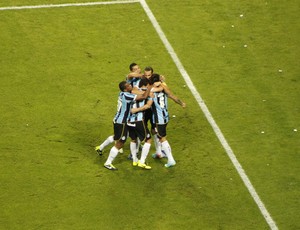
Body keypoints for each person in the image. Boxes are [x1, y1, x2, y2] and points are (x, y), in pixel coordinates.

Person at [131, 73, 186, 168]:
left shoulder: (151, 91)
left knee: (162, 138)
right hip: (165, 116)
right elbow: (173, 97)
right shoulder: (164, 87)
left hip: (159, 118)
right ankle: (159, 152)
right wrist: (182, 103)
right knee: (154, 131)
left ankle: (170, 159)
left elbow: (137, 91)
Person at [103, 80, 150, 170]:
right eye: (128, 85)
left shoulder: (123, 94)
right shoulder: (127, 95)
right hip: (121, 122)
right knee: (120, 142)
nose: (130, 85)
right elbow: (144, 96)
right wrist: (148, 88)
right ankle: (108, 162)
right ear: (125, 89)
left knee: (121, 140)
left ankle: (105, 155)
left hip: (120, 121)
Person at [128, 78, 153, 169]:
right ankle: (142, 161)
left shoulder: (133, 91)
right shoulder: (148, 93)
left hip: (129, 120)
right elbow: (148, 105)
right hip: (138, 120)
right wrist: (137, 110)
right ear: (146, 85)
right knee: (148, 139)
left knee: (133, 139)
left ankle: (135, 160)